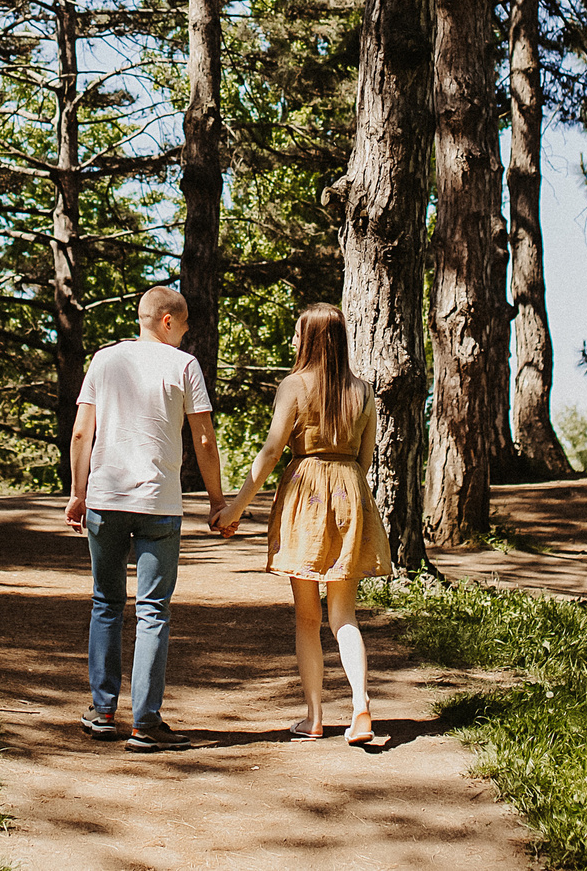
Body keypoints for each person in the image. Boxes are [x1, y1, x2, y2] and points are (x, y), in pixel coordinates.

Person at [215, 301, 392, 745]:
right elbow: (366, 459)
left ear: (310, 339)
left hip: (306, 496)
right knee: (344, 614)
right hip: (350, 491)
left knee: (307, 618)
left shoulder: (293, 386)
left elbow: (273, 450)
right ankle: (360, 705)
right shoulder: (363, 391)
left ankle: (314, 718)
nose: (293, 340)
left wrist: (237, 507)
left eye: (298, 333)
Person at [63, 284, 228, 752]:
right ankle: (145, 723)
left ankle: (101, 712)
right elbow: (205, 442)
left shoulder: (104, 360)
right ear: (168, 321)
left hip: (106, 499)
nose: (188, 330)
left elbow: (81, 433)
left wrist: (79, 493)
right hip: (159, 504)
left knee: (106, 603)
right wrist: (217, 501)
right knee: (153, 610)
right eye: (187, 321)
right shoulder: (184, 366)